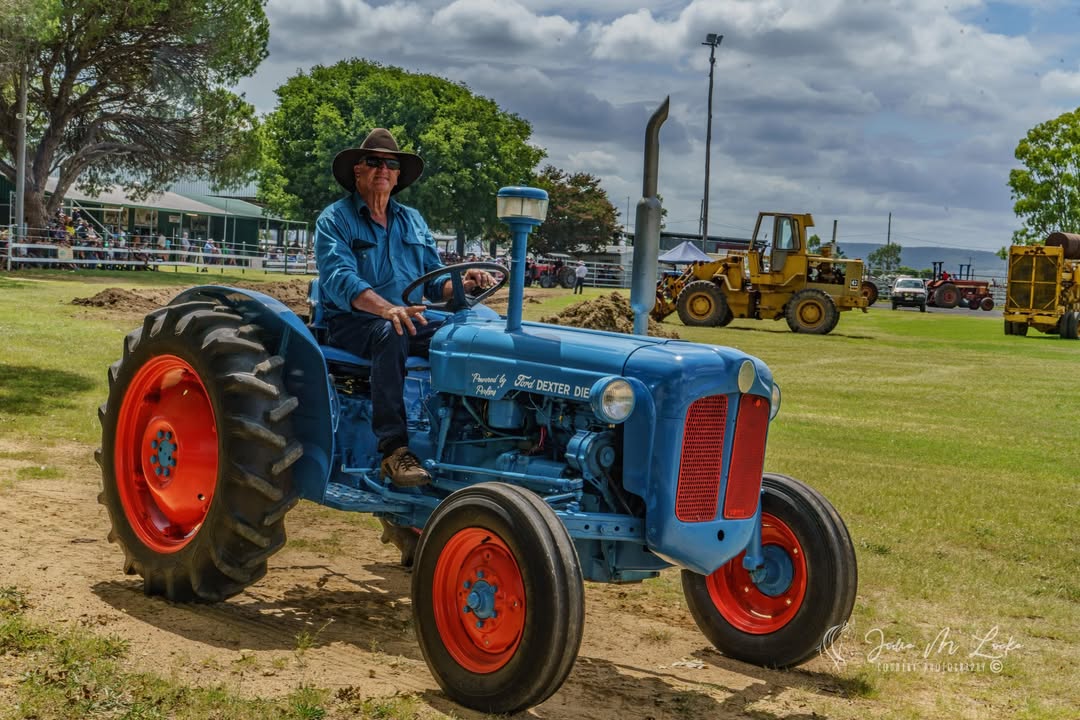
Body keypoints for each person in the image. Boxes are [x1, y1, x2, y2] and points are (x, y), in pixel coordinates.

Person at [314, 127, 495, 488]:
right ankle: (394, 450)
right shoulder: (335, 219)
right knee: (392, 330)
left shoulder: (412, 220)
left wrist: (465, 282)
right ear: (358, 171)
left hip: (407, 316)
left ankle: (473, 432)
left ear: (398, 175)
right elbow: (340, 279)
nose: (383, 168)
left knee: (474, 335)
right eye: (373, 161)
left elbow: (432, 283)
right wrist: (386, 309)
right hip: (352, 321)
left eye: (391, 163)